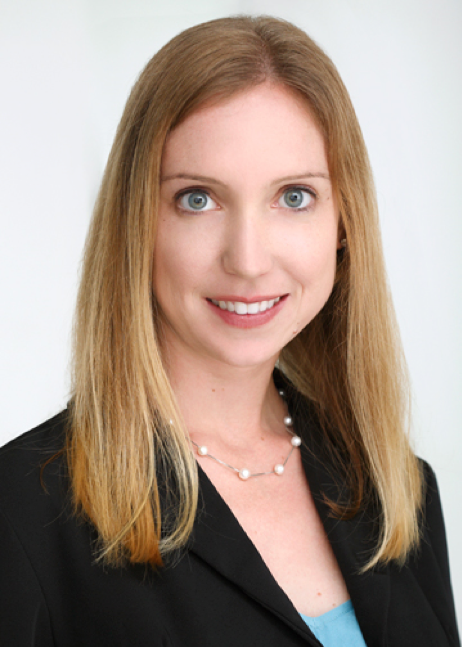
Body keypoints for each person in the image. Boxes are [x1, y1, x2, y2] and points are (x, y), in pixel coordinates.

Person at [0, 15, 459, 647]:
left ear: (343, 225)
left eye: (294, 197)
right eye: (198, 198)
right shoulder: (21, 515)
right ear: (138, 225)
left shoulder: (401, 491)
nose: (247, 259)